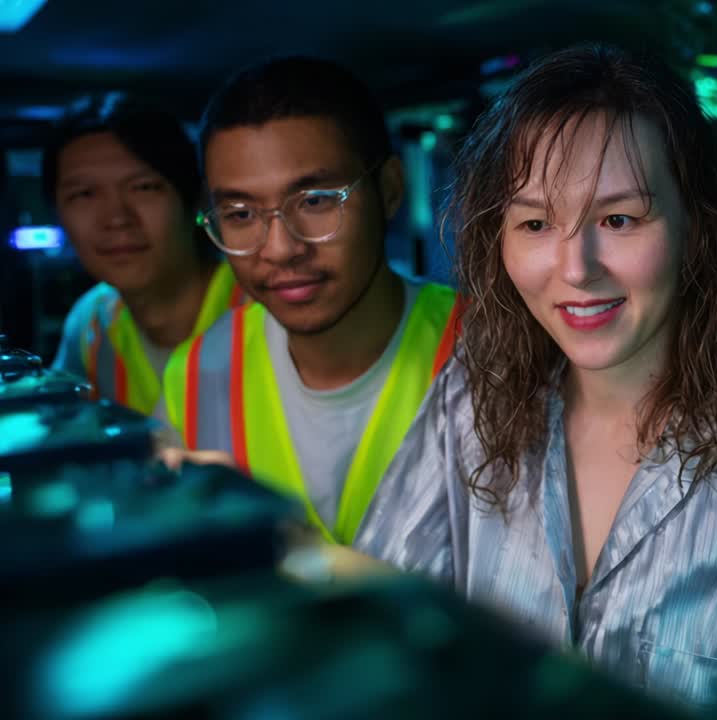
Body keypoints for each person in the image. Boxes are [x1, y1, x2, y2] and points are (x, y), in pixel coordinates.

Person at [356, 43, 717, 711]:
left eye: (619, 219)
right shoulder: (467, 405)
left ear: (696, 228)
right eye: (535, 223)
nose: (575, 268)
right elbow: (372, 629)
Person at [157, 57, 460, 545]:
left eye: (316, 200)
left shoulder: (493, 350)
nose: (280, 248)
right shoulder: (196, 374)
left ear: (389, 190)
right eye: (239, 213)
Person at [45, 97, 245, 414]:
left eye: (144, 187)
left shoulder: (262, 300)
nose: (116, 218)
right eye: (83, 194)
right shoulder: (92, 322)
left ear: (194, 199)